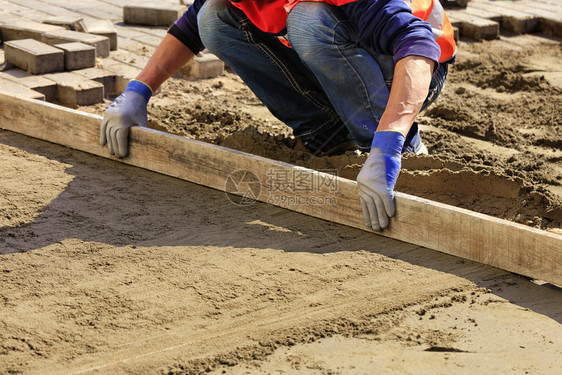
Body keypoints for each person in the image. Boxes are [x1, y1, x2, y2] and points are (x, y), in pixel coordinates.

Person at [100, 0, 456, 231]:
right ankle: (329, 133)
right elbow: (194, 25)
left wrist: (389, 143)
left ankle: (400, 152)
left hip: (414, 66)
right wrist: (138, 91)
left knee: (308, 22)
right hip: (355, 43)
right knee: (214, 18)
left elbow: (417, 43)